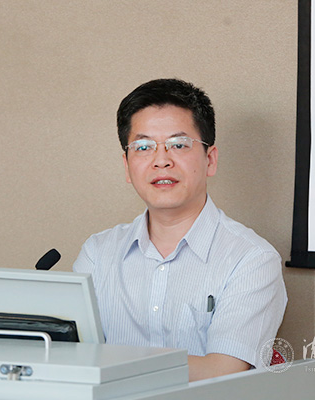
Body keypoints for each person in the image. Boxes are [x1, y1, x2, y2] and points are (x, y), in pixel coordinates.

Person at [73, 78, 287, 381]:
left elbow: (222, 371)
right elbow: (69, 357)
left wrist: (112, 364)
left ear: (210, 159)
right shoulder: (97, 254)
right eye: (143, 147)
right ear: (127, 165)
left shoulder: (252, 260)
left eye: (178, 145)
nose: (161, 161)